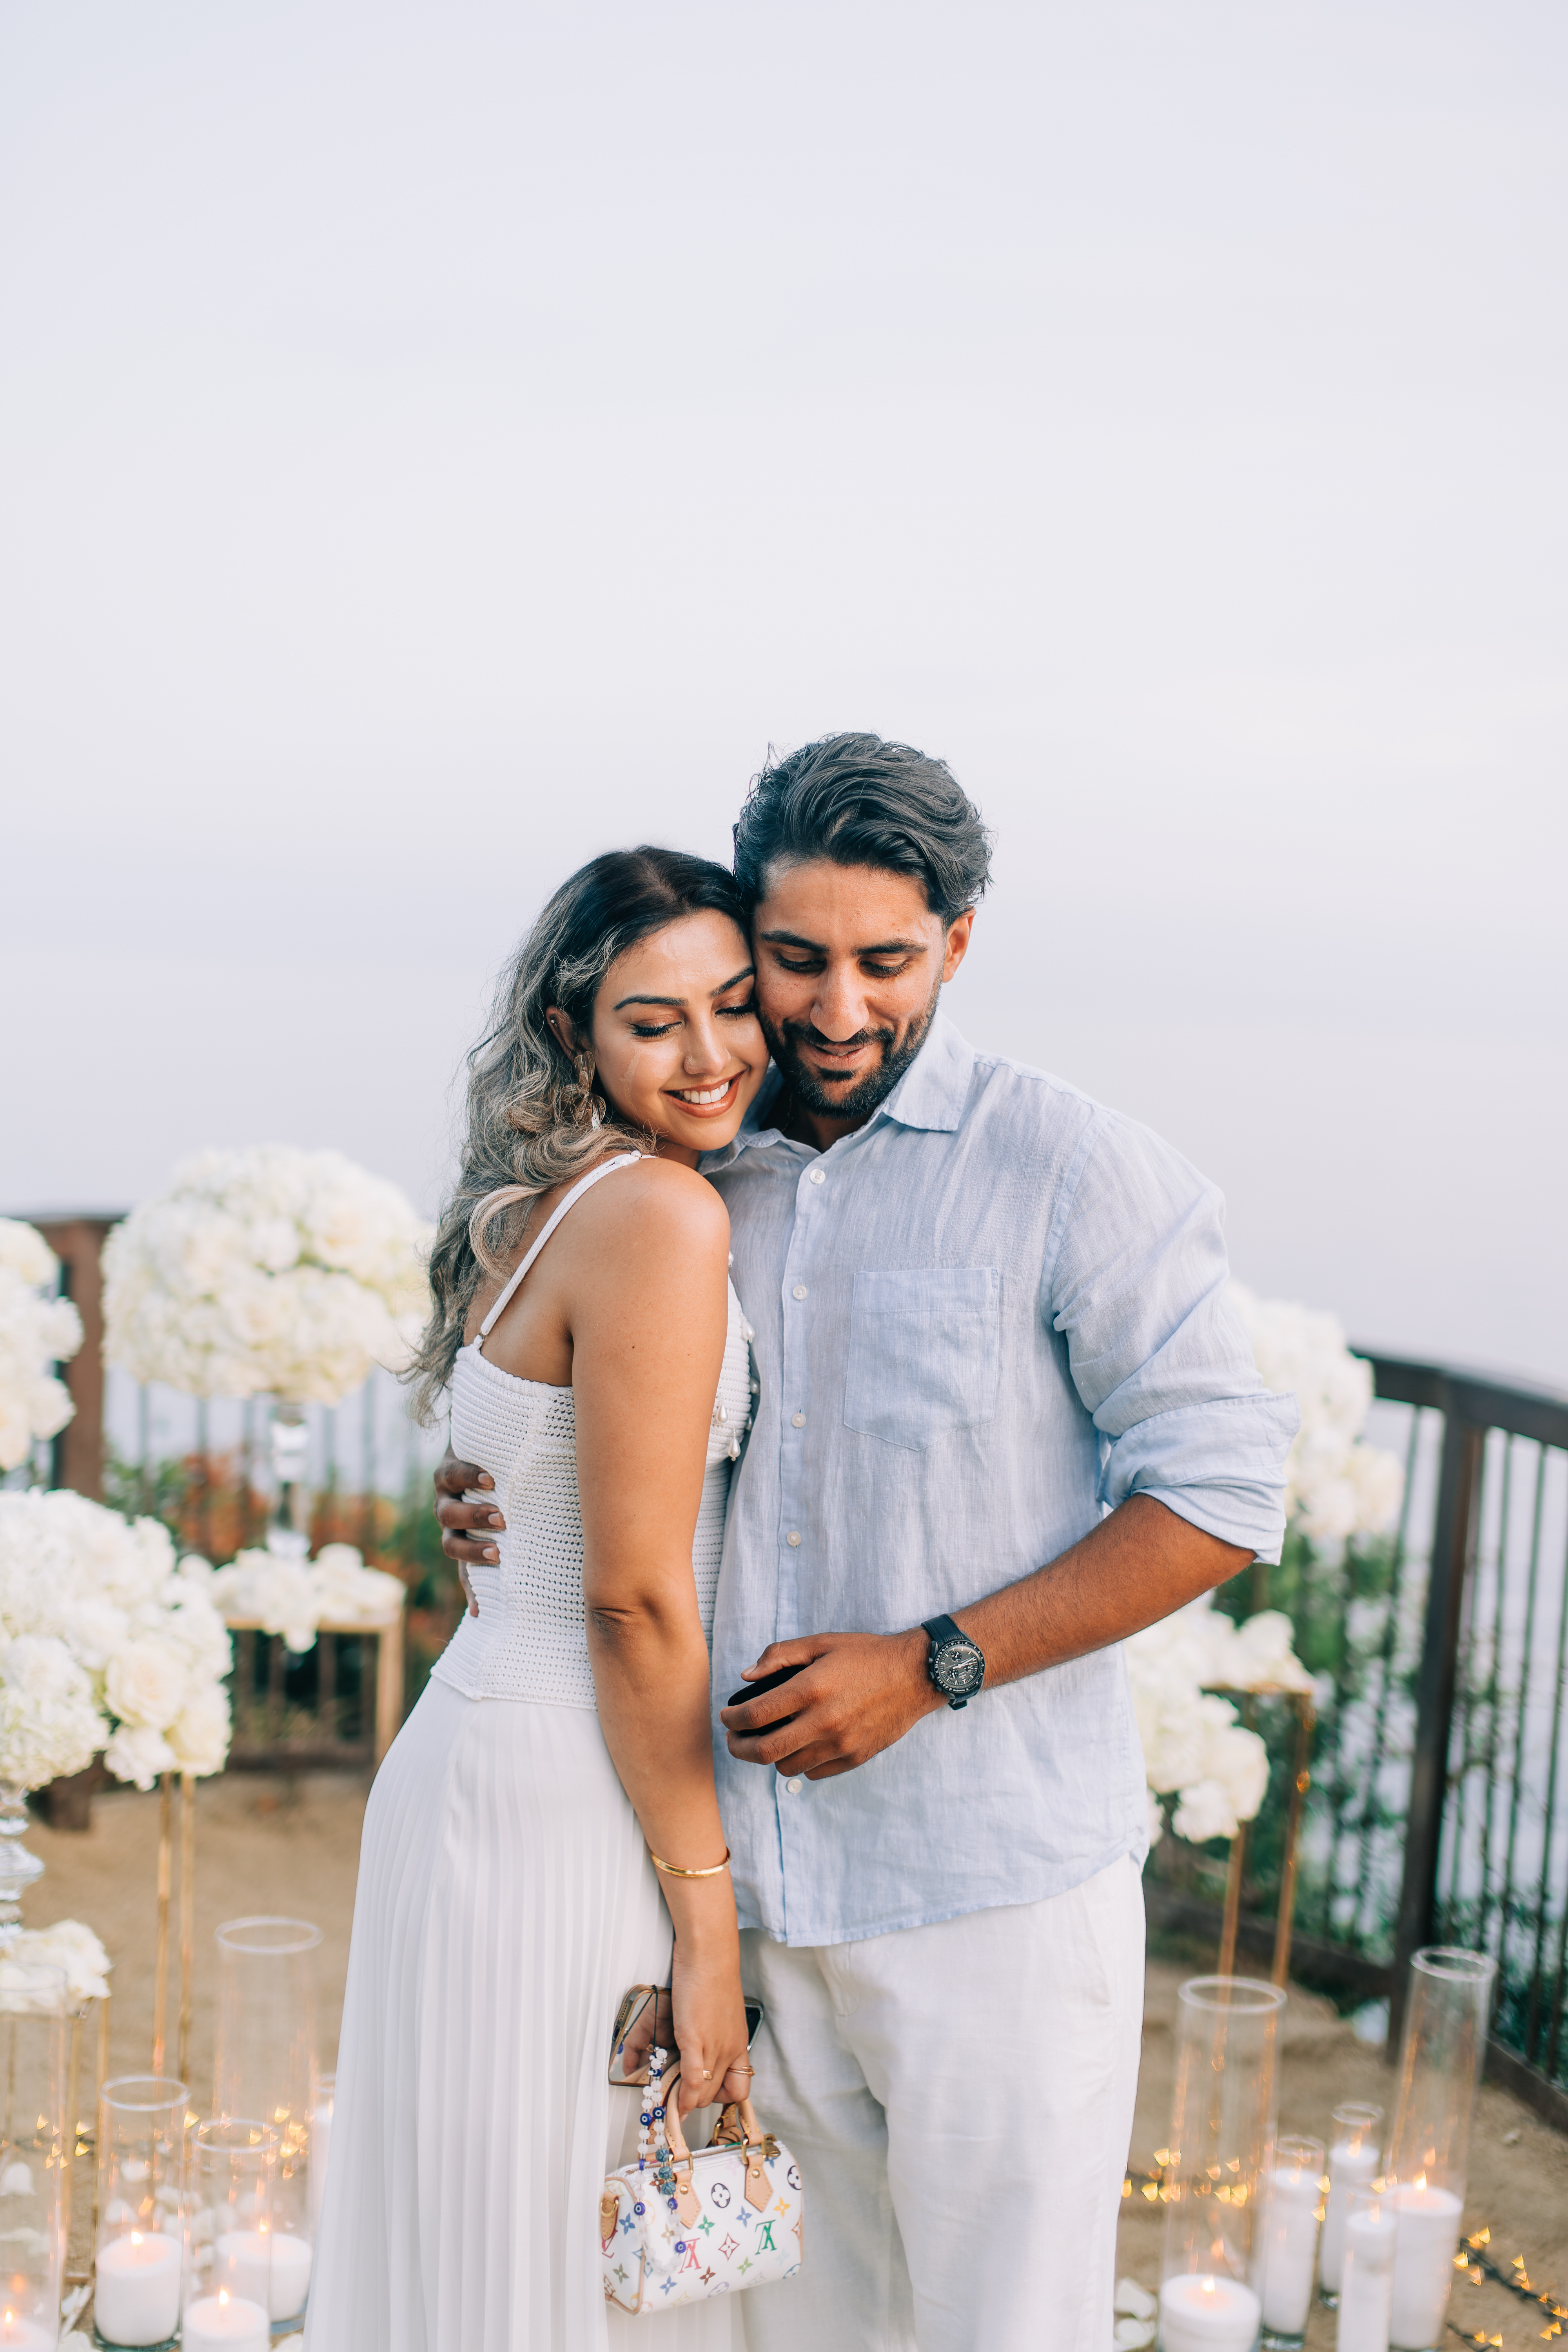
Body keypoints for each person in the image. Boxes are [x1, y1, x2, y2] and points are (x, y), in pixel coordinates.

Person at [437, 733, 1299, 2352]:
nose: (837, 1011)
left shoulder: (1073, 1169)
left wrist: (933, 1665)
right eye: (796, 960)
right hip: (744, 1903)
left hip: (990, 1894)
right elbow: (586, 1413)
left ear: (958, 945)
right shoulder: (695, 1168)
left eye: (887, 963)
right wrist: (504, 1483)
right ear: (745, 937)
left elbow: (1220, 1493)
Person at [308, 848, 776, 2352]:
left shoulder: (553, 1200)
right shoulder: (663, 1217)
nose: (711, 1055)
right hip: (577, 1792)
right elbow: (635, 1597)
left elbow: (526, 1479)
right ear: (578, 1035)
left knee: (478, 2243)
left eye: (734, 1004)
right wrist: (708, 1931)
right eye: (656, 1022)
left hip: (487, 1755)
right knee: (570, 2257)